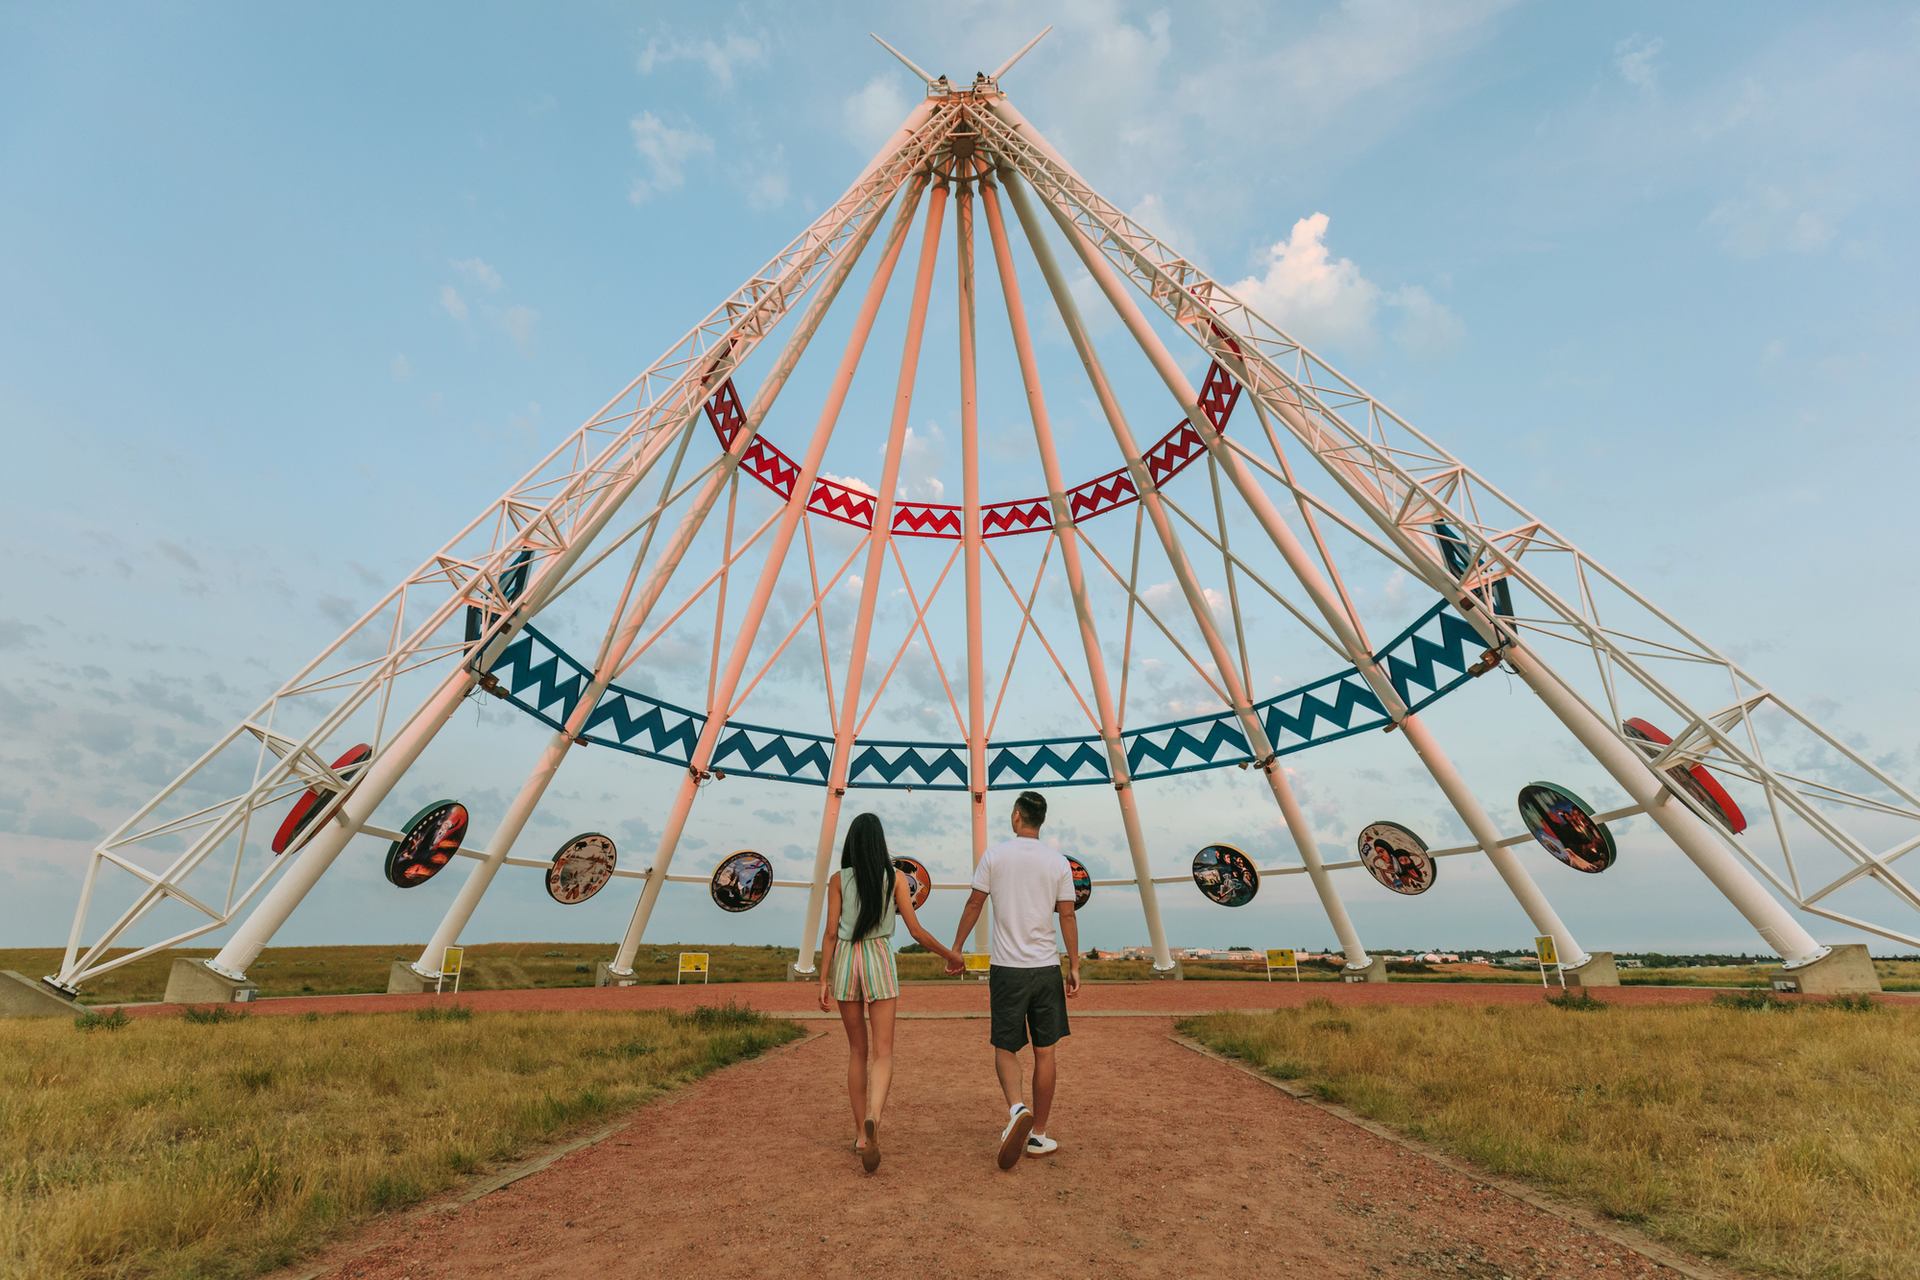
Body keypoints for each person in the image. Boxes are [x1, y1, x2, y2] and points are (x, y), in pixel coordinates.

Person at [816, 812, 964, 1174]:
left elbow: (831, 934)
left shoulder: (837, 880)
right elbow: (915, 931)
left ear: (851, 843)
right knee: (883, 1053)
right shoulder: (895, 878)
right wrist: (950, 954)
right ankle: (874, 1117)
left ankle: (861, 1137)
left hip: (848, 959)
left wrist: (823, 978)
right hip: (879, 957)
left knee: (856, 1050)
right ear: (880, 844)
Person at [949, 790, 1081, 1170]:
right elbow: (1067, 916)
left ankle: (1016, 1108)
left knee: (1006, 1047)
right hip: (1045, 969)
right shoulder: (1058, 862)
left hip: (1007, 969)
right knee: (1046, 1051)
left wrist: (957, 947)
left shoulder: (995, 856)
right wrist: (1074, 965)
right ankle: (1038, 1133)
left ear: (1017, 816)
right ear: (1040, 820)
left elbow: (975, 903)